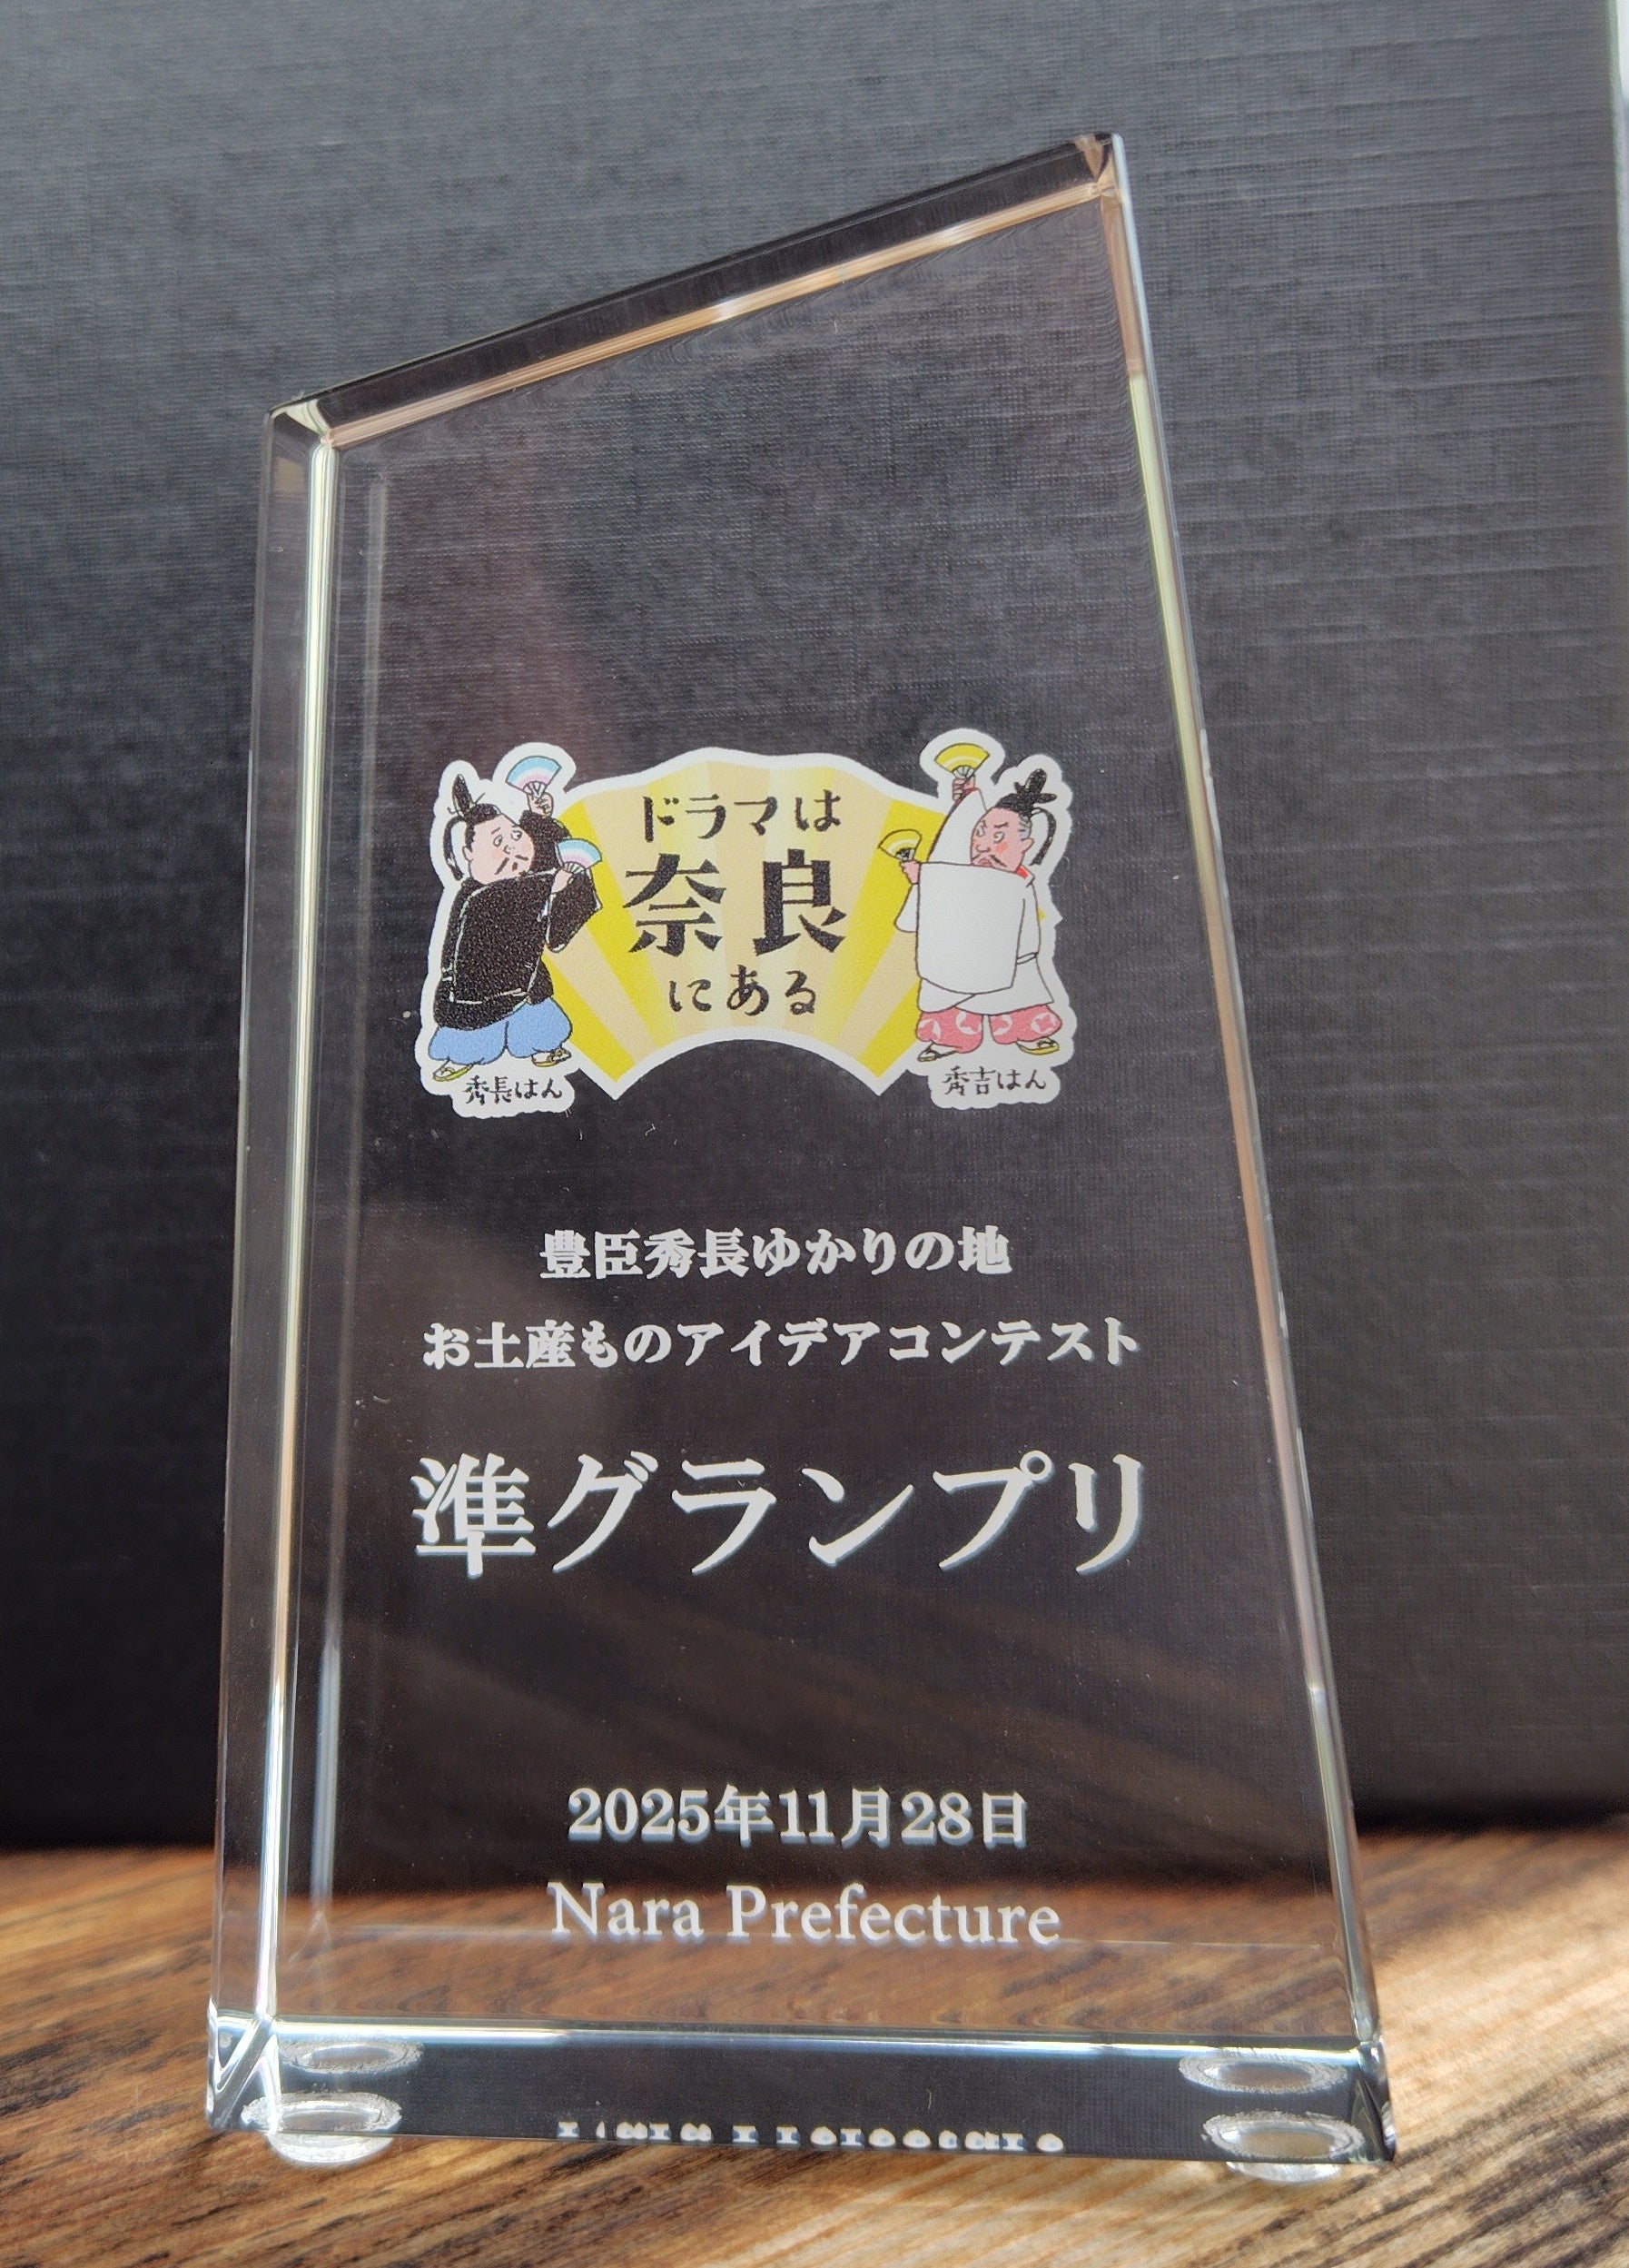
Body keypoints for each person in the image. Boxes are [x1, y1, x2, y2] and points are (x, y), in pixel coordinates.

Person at [426, 760, 598, 1080]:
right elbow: (503, 897)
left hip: (525, 977)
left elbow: (543, 861)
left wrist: (538, 818)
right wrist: (549, 884)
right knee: (473, 1027)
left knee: (536, 1012)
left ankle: (543, 1047)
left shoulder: (523, 879)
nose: (512, 848)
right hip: (475, 984)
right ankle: (461, 1057)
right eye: (498, 842)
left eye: (517, 835)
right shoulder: (475, 895)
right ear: (469, 853)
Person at [898, 767, 1064, 1058]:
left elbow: (985, 890)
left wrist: (927, 876)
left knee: (1017, 997)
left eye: (999, 836)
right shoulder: (965, 873)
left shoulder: (1017, 881)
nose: (984, 846)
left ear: (1025, 845)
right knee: (951, 997)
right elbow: (958, 880)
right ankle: (951, 1039)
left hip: (1011, 957)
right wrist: (967, 797)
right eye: (980, 833)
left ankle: (1027, 1033)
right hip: (962, 957)